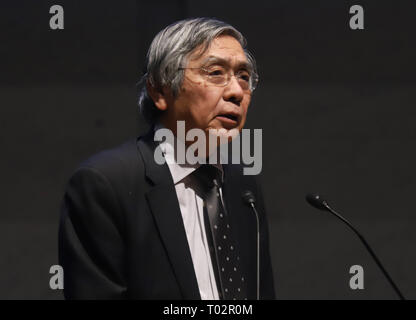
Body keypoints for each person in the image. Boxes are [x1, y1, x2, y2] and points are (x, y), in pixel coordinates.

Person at [59, 17, 275, 300]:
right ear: (160, 91)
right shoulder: (105, 184)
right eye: (216, 72)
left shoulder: (242, 185)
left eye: (244, 77)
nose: (236, 91)